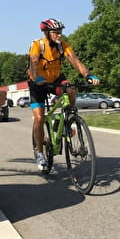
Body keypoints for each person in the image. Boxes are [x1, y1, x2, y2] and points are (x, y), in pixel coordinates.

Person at [28, 18, 99, 172]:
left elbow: (75, 61)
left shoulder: (62, 46)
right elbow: (33, 63)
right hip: (37, 82)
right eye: (56, 33)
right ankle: (40, 153)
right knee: (40, 118)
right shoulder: (38, 45)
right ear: (47, 33)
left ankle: (69, 119)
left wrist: (88, 75)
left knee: (71, 90)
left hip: (55, 79)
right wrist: (37, 77)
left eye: (61, 32)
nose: (59, 35)